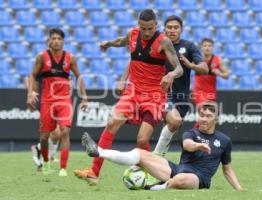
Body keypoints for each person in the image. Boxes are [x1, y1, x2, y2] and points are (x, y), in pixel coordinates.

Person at [74, 9, 183, 185]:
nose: (146, 32)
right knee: (112, 123)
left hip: (154, 96)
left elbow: (179, 68)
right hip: (132, 92)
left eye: (150, 28)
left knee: (142, 140)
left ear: (156, 26)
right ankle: (94, 172)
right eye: (143, 28)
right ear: (138, 25)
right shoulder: (133, 34)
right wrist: (108, 44)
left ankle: (152, 174)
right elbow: (121, 42)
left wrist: (170, 75)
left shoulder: (164, 41)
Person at [81, 101, 243, 191]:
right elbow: (187, 145)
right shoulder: (192, 133)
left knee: (181, 180)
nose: (204, 119)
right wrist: (198, 146)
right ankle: (99, 151)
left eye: (208, 116)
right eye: (202, 115)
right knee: (139, 153)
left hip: (200, 178)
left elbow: (227, 169)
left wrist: (239, 189)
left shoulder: (224, 140)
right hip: (178, 168)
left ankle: (154, 189)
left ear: (216, 119)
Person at [27, 28, 88, 176]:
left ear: (63, 41)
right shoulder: (42, 57)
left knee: (64, 131)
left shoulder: (70, 58)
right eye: (53, 38)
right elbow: (33, 75)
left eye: (59, 38)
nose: (56, 41)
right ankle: (46, 162)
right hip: (47, 101)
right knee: (45, 136)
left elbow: (79, 76)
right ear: (49, 41)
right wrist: (30, 93)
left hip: (64, 101)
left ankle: (63, 169)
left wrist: (84, 97)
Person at [152, 15, 208, 158]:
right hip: (161, 94)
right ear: (164, 29)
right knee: (174, 121)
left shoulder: (188, 46)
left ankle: (158, 155)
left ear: (181, 30)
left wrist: (191, 65)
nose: (172, 30)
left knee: (174, 125)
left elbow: (204, 68)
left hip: (181, 98)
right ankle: (156, 156)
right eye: (169, 27)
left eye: (175, 27)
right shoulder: (158, 45)